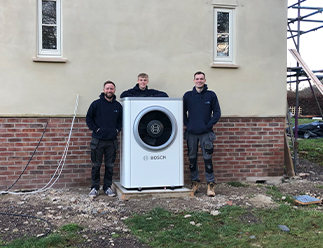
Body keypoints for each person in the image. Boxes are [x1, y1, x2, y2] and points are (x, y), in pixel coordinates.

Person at [183, 71, 221, 197]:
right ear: (194, 81)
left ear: (204, 80)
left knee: (207, 158)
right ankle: (195, 183)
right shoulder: (188, 96)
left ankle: (210, 184)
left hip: (206, 133)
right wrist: (188, 125)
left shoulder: (211, 95)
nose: (199, 81)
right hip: (192, 133)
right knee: (192, 158)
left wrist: (207, 126)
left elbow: (217, 113)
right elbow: (182, 112)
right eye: (197, 79)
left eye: (201, 79)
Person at [86, 81, 122, 198]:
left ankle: (107, 187)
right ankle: (94, 188)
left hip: (112, 141)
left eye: (111, 89)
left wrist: (117, 130)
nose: (109, 91)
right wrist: (96, 130)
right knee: (96, 165)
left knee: (110, 166)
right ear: (103, 90)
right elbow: (89, 118)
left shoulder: (118, 106)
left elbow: (121, 121)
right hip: (98, 141)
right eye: (107, 89)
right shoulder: (96, 104)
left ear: (114, 90)